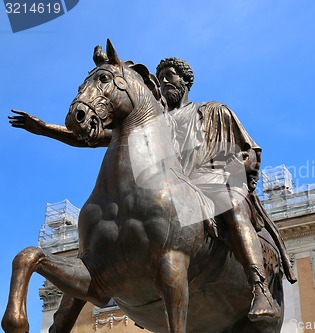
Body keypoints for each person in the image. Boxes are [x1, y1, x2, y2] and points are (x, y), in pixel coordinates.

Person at [9, 57, 296, 322]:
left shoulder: (212, 111)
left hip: (208, 181)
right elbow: (92, 137)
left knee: (232, 205)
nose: (164, 82)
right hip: (164, 188)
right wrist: (45, 128)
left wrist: (231, 165)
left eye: (169, 76)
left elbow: (249, 152)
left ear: (185, 81)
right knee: (102, 238)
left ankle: (260, 289)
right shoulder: (149, 122)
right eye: (160, 78)